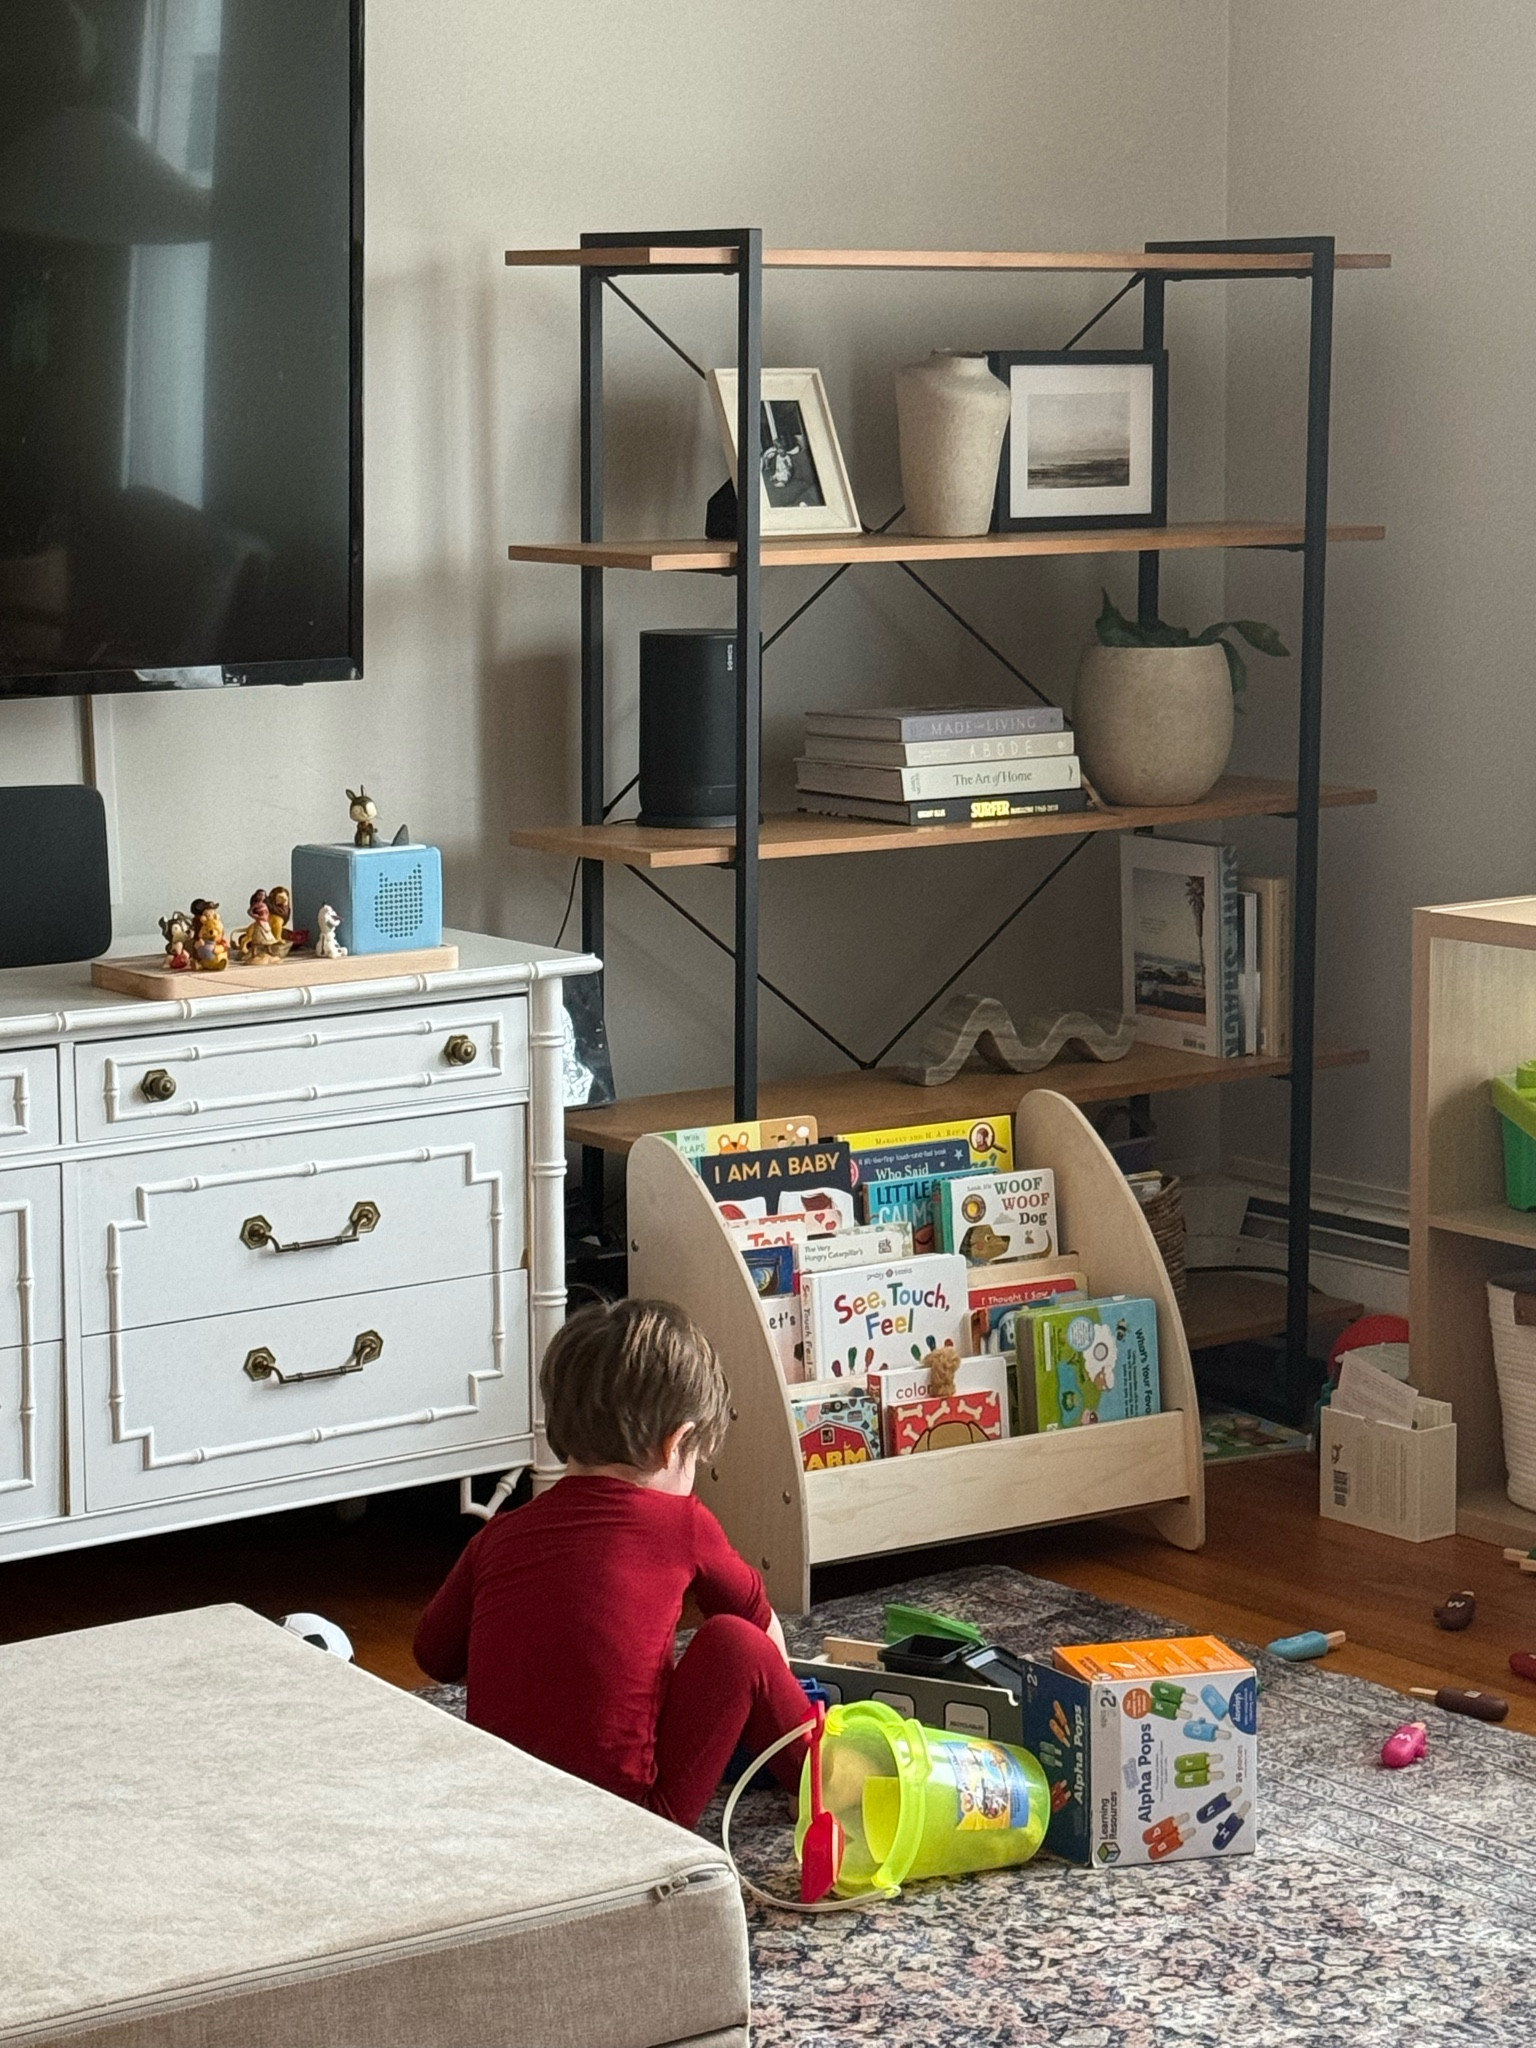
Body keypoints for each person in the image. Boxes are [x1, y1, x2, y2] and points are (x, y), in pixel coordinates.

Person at [413, 1297, 812, 1829]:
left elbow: (433, 1655)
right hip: (631, 1824)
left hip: (502, 1810)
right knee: (735, 1643)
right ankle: (820, 1782)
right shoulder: (681, 1522)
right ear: (678, 1445)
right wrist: (780, 1715)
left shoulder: (499, 1535)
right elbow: (758, 1626)